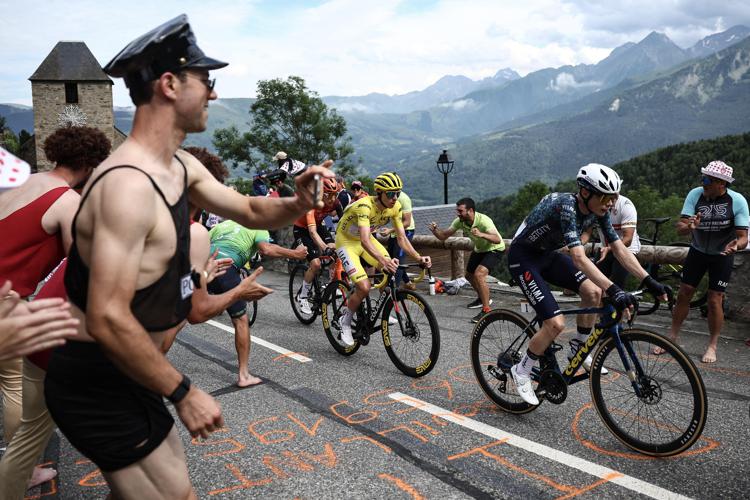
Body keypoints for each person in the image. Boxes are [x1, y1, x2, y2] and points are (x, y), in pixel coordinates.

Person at [42, 15, 333, 499]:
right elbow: (108, 316)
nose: (214, 94)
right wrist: (184, 391)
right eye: (207, 80)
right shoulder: (126, 188)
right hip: (96, 382)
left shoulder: (180, 165)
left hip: (132, 376)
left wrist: (300, 203)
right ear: (170, 84)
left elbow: (247, 207)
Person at [0, 126, 109, 497]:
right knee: (15, 385)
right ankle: (25, 471)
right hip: (6, 302)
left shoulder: (20, 182)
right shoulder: (67, 202)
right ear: (91, 165)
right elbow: (79, 273)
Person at [506, 164, 667, 405]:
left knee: (593, 292)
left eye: (613, 198)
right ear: (585, 193)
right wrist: (614, 289)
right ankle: (521, 369)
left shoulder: (598, 212)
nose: (610, 204)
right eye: (605, 197)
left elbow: (619, 248)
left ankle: (577, 349)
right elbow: (579, 257)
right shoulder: (566, 207)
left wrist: (649, 280)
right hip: (523, 258)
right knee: (555, 323)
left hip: (547, 255)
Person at [661, 161, 748, 363]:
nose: (703, 183)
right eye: (703, 178)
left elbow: (743, 236)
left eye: (708, 179)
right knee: (684, 294)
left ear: (721, 183)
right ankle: (672, 337)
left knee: (714, 300)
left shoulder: (737, 201)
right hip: (698, 251)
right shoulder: (695, 194)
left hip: (722, 255)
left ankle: (712, 345)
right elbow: (680, 227)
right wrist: (689, 226)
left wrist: (737, 245)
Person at [335, 172, 431, 346]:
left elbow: (401, 238)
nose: (395, 198)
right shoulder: (364, 206)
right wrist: (382, 260)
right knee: (364, 287)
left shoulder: (395, 207)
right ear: (379, 192)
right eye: (390, 193)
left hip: (366, 240)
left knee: (391, 268)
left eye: (397, 193)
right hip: (347, 242)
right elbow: (364, 240)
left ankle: (381, 310)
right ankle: (345, 321)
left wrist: (419, 257)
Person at [208, 220, 307, 385]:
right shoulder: (258, 225)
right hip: (226, 267)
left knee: (183, 315)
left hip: (203, 264)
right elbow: (266, 249)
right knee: (241, 320)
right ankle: (243, 375)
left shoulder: (221, 225)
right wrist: (295, 254)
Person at [429, 197, 505, 322]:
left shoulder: (484, 221)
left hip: (494, 249)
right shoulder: (459, 221)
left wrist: (481, 234)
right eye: (457, 211)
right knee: (469, 276)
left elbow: (497, 239)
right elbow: (443, 236)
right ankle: (482, 298)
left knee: (479, 275)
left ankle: (487, 311)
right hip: (480, 249)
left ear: (470, 210)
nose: (457, 213)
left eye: (460, 211)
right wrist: (435, 230)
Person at [293, 177, 343, 314]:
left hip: (319, 225)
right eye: (329, 195)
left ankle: (330, 284)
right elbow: (312, 232)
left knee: (335, 250)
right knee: (315, 264)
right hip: (302, 229)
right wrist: (323, 247)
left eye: (335, 194)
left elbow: (344, 224)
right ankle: (302, 296)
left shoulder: (335, 203)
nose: (332, 199)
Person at [595, 194, 641, 287]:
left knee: (616, 282)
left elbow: (628, 239)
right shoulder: (594, 204)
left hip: (626, 249)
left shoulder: (626, 206)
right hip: (605, 247)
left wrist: (609, 248)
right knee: (594, 282)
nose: (610, 203)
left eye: (613, 198)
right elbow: (586, 232)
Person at [384, 189, 417, 290]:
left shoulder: (404, 198)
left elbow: (407, 223)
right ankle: (408, 282)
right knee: (391, 258)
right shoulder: (387, 197)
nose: (394, 197)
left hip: (406, 231)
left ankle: (394, 288)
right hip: (395, 231)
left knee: (399, 260)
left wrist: (390, 230)